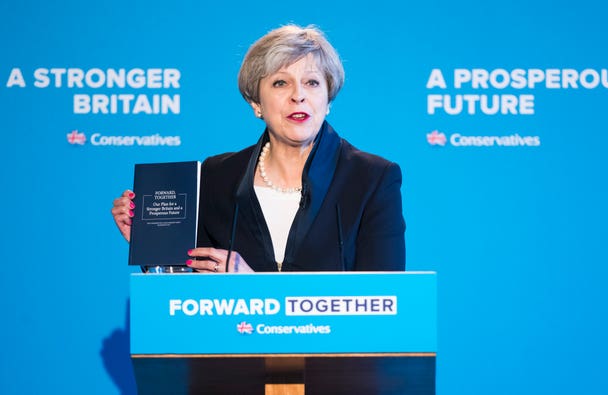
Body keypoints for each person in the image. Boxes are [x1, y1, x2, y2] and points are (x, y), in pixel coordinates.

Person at [112, 24, 405, 273]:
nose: (298, 96)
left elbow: (386, 302)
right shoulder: (217, 177)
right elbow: (190, 294)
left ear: (328, 100)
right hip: (233, 339)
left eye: (312, 83)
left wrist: (256, 289)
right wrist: (154, 245)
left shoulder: (371, 178)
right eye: (281, 83)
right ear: (256, 103)